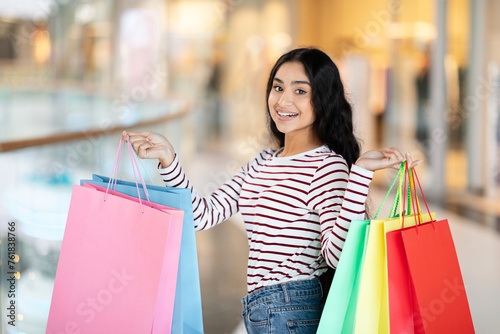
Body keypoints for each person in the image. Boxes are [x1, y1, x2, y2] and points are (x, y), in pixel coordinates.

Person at [122, 47, 421, 334]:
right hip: (264, 311)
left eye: (300, 91)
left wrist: (360, 174)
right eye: (278, 88)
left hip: (292, 311)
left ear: (324, 100)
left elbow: (338, 257)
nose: (283, 101)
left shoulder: (326, 167)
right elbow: (202, 215)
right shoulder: (263, 161)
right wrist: (168, 159)